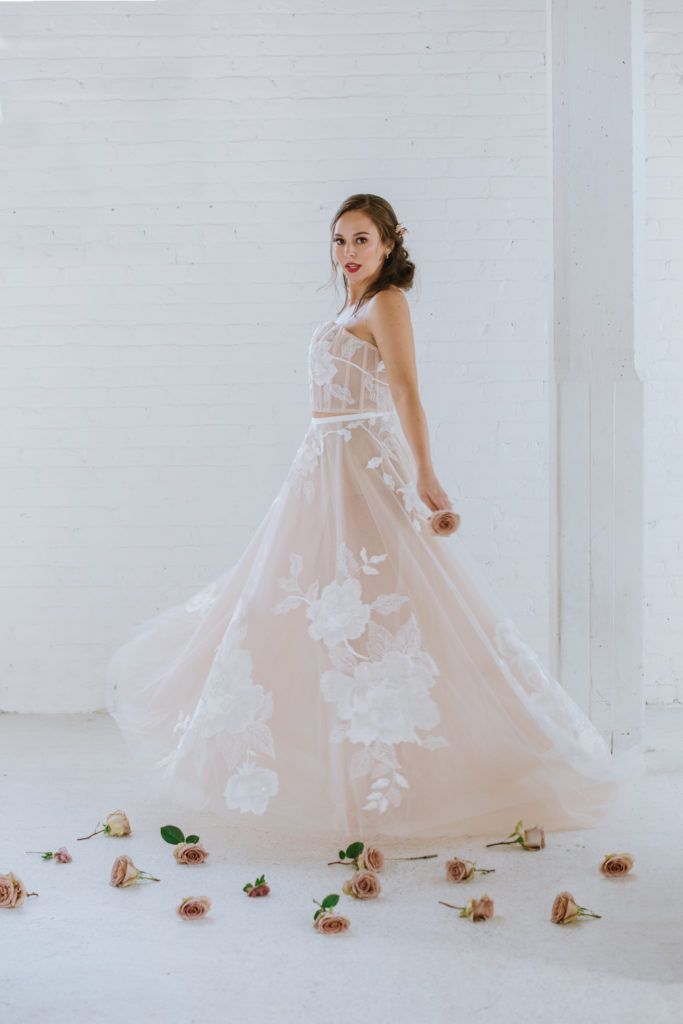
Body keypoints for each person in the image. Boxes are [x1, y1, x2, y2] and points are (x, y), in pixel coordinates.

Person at [105, 193, 643, 840]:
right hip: (322, 471)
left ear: (389, 244)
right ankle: (344, 778)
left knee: (391, 613)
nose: (347, 253)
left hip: (361, 469)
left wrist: (425, 477)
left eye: (361, 240)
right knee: (309, 617)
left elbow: (405, 389)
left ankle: (436, 775)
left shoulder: (387, 303)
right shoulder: (351, 306)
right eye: (338, 241)